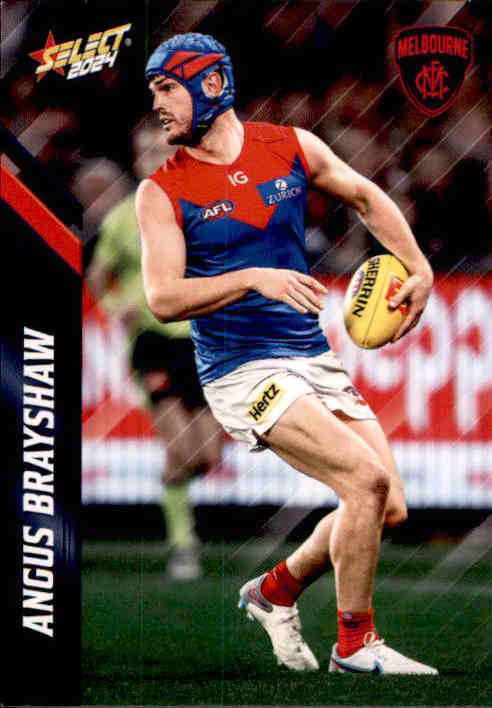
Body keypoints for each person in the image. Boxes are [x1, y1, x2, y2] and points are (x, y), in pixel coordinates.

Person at [136, 32, 437, 674]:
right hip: (241, 372)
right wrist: (252, 278)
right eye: (153, 91)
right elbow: (162, 297)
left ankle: (275, 591)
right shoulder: (161, 191)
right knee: (364, 481)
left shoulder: (290, 146)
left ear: (212, 84)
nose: (157, 104)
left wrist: (419, 267)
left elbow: (366, 196)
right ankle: (355, 645)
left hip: (308, 354)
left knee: (387, 506)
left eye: (167, 88)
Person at [86, 121, 225, 581]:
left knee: (206, 456)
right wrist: (116, 306)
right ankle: (183, 543)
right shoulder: (123, 218)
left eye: (163, 151)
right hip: (153, 345)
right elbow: (98, 275)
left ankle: (171, 484)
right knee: (180, 445)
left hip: (202, 342)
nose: (156, 159)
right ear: (137, 160)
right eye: (146, 152)